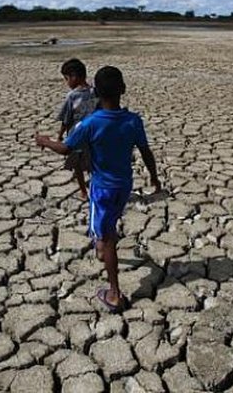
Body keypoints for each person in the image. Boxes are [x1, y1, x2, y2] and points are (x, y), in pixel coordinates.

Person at [36, 65, 161, 313]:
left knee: (106, 240)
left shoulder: (90, 123)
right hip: (124, 186)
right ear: (123, 89)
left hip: (101, 190)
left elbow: (65, 149)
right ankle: (104, 244)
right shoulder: (133, 121)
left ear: (96, 92)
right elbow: (146, 153)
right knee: (107, 229)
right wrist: (155, 179)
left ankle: (114, 294)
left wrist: (45, 141)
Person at [56, 58, 98, 200]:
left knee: (77, 165)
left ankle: (83, 191)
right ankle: (94, 187)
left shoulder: (72, 96)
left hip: (76, 136)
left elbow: (66, 119)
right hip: (95, 135)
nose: (66, 83)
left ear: (74, 76)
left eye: (66, 78)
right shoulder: (95, 91)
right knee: (94, 163)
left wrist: (60, 135)